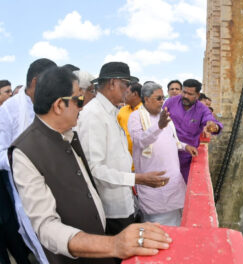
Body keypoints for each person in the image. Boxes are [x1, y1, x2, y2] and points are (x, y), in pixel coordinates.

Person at [9, 66, 171, 263]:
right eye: (78, 99)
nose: (83, 105)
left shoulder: (70, 135)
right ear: (59, 105)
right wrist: (113, 244)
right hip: (78, 254)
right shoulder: (25, 152)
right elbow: (46, 227)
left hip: (98, 236)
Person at [77, 62, 170, 236]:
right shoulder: (93, 115)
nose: (128, 89)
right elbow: (94, 169)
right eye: (125, 84)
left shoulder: (111, 112)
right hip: (111, 209)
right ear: (112, 83)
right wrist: (137, 178)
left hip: (124, 202)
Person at [0, 58, 57, 263]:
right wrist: (26, 160)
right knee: (44, 246)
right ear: (35, 82)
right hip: (28, 192)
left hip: (57, 185)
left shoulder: (52, 103)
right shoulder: (9, 109)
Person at [128, 82, 197, 226]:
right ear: (146, 99)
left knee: (178, 226)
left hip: (174, 182)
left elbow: (171, 140)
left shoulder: (164, 116)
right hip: (155, 187)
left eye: (162, 98)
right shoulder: (136, 117)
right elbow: (140, 141)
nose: (162, 101)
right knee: (159, 230)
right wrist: (158, 126)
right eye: (158, 98)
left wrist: (185, 146)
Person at [163, 79, 223, 183]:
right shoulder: (171, 102)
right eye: (184, 92)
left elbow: (211, 121)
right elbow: (159, 119)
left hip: (187, 156)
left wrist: (214, 126)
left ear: (197, 95)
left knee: (185, 187)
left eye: (190, 94)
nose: (185, 96)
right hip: (168, 152)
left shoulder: (202, 109)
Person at [117, 82, 142, 157]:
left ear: (135, 94)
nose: (124, 95)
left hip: (144, 162)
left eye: (127, 92)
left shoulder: (146, 111)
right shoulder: (122, 111)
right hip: (124, 159)